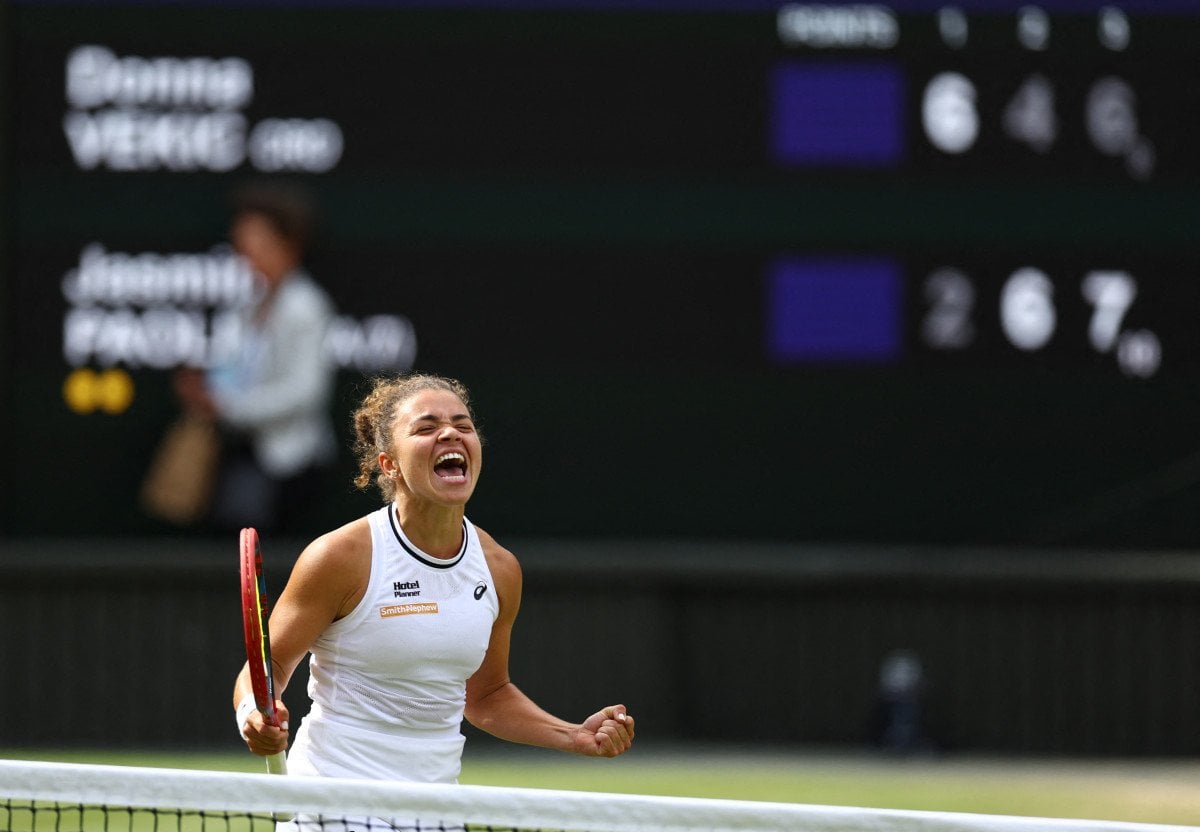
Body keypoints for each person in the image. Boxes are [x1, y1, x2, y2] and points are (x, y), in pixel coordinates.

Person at [232, 373, 635, 785]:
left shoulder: (499, 568)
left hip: (435, 806)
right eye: (426, 428)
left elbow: (486, 696)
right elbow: (269, 666)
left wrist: (574, 736)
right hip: (333, 796)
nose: (450, 434)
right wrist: (253, 714)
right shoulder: (341, 557)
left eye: (463, 426)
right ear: (389, 464)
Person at [174, 181, 338, 535]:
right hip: (243, 453)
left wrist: (229, 407)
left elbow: (306, 392)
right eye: (241, 243)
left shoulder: (306, 307)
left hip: (289, 463)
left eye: (257, 241)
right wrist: (207, 390)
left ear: (289, 246)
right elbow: (233, 368)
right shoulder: (249, 305)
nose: (246, 253)